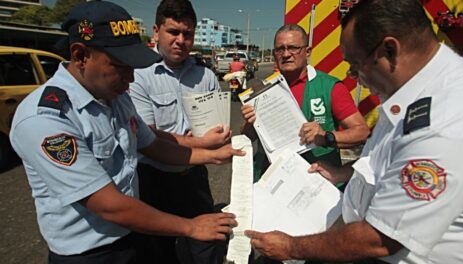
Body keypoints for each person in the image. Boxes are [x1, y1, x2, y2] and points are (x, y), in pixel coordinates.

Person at [8, 2, 243, 263]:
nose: (130, 78)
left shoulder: (115, 98)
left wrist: (213, 155)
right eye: (120, 66)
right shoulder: (47, 119)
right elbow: (108, 205)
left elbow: (154, 145)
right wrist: (191, 227)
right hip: (91, 254)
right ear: (80, 55)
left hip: (133, 236)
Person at [245, 0, 463, 263]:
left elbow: (380, 239)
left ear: (389, 50)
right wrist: (342, 172)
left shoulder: (445, 119)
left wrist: (291, 247)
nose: (355, 77)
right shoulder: (410, 95)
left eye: (355, 65)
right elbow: (385, 163)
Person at [128, 0, 230, 263]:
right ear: (156, 31)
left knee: (207, 245)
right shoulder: (138, 74)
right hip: (154, 178)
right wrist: (202, 143)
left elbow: (217, 125)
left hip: (194, 177)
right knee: (158, 252)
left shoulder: (205, 75)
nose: (181, 40)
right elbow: (148, 136)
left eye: (188, 34)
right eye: (173, 32)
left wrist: (226, 137)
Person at [241, 24, 369, 182]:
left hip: (317, 183)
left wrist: (326, 137)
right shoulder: (262, 90)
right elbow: (247, 137)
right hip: (271, 181)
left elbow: (362, 132)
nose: (286, 54)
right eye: (280, 49)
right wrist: (249, 123)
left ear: (307, 52)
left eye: (293, 48)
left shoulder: (329, 87)